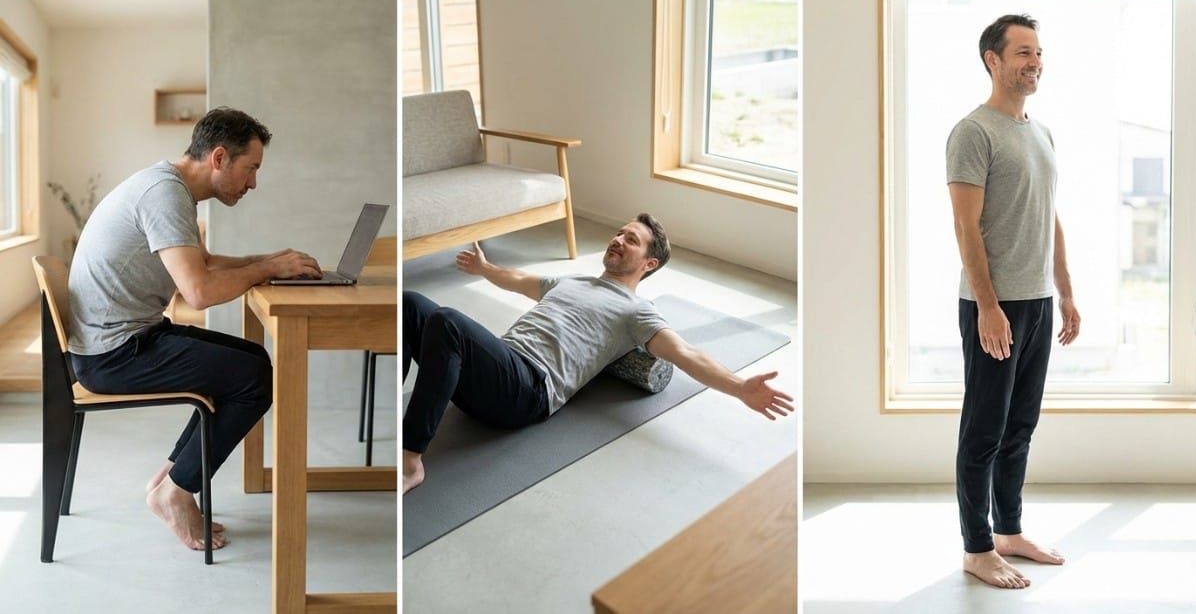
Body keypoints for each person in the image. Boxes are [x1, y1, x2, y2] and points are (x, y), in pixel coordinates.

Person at [67, 107, 322, 553]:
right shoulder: (164, 195)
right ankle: (179, 492)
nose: (254, 183)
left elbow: (200, 263)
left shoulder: (169, 187)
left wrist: (269, 261)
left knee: (254, 361)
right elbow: (199, 290)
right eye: (252, 169)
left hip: (124, 340)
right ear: (220, 158)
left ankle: (170, 480)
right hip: (112, 355)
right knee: (254, 379)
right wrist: (268, 267)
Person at [402, 213, 794, 493]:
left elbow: (686, 353)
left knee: (447, 321)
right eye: (619, 233)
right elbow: (519, 279)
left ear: (648, 263)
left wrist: (741, 386)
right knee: (412, 303)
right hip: (497, 370)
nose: (618, 240)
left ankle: (410, 461)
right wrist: (485, 269)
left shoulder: (636, 311)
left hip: (528, 391)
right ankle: (386, 413)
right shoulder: (571, 282)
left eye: (631, 240)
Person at [946, 14, 1081, 589]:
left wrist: (1067, 292)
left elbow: (1048, 216)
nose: (1035, 62)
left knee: (1020, 426)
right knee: (984, 429)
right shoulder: (972, 133)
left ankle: (1009, 530)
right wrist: (989, 306)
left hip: (1038, 302)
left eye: (1039, 52)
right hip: (994, 307)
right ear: (992, 60)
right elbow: (965, 227)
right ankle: (977, 549)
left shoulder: (1041, 133)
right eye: (1023, 52)